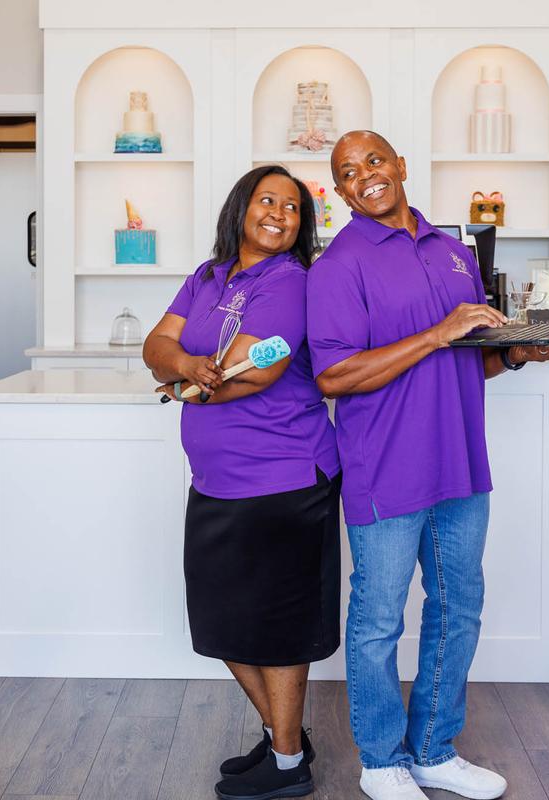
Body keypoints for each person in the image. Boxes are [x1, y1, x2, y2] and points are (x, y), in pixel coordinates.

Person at [306, 131, 549, 800]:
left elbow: (463, 362)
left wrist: (518, 353)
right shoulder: (338, 265)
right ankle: (380, 762)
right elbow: (334, 375)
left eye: (374, 161)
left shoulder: (455, 253)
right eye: (349, 172)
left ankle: (433, 750)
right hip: (384, 466)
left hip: (459, 462)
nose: (365, 176)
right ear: (340, 192)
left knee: (459, 608)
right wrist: (437, 332)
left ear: (400, 166)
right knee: (378, 620)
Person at [143, 165, 341, 800]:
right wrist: (186, 366)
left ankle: (287, 764)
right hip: (216, 481)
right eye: (267, 200)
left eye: (293, 206)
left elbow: (253, 372)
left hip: (285, 480)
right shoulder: (207, 277)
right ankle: (284, 736)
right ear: (241, 207)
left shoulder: (291, 281)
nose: (280, 213)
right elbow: (156, 345)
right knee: (223, 620)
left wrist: (188, 384)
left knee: (277, 628)